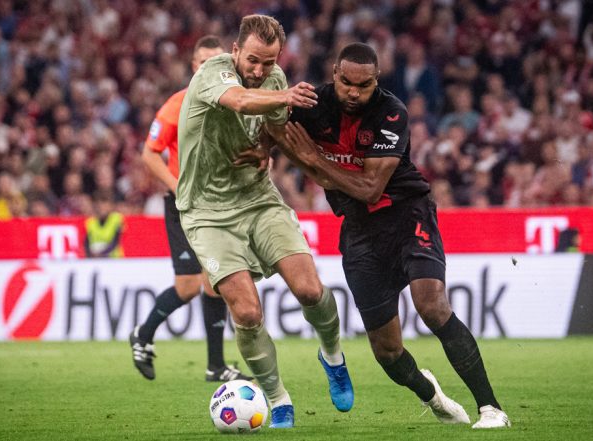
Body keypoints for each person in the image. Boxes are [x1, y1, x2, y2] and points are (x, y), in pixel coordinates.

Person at [276, 43, 510, 429]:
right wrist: (262, 151)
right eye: (346, 82)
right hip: (359, 233)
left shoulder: (391, 112)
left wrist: (314, 162)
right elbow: (274, 126)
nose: (353, 92)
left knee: (432, 306)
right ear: (334, 73)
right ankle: (432, 395)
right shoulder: (310, 103)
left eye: (363, 85)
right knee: (387, 351)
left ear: (376, 80)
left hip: (407, 214)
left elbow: (370, 188)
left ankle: (491, 408)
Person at [174, 15, 353, 429]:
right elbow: (238, 101)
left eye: (268, 63)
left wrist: (267, 146)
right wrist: (287, 97)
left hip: (258, 199)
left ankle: (333, 357)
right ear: (235, 51)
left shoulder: (275, 80)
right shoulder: (211, 73)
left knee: (310, 289)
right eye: (253, 60)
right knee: (248, 312)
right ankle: (278, 399)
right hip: (207, 213)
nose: (259, 70)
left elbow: (275, 126)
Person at [130, 35, 253, 383]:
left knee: (216, 284)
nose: (207, 68)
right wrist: (177, 188)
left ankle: (216, 366)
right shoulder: (178, 103)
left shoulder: (231, 104)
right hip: (184, 204)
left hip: (218, 204)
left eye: (216, 62)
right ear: (193, 66)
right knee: (186, 286)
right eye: (202, 62)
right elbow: (148, 153)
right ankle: (143, 333)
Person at [84, 190, 124, 258]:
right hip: (95, 259)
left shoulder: (117, 219)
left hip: (113, 259)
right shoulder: (90, 222)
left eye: (105, 204)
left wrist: (102, 253)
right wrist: (90, 254)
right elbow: (86, 243)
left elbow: (115, 241)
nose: (102, 208)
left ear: (111, 206)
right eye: (99, 205)